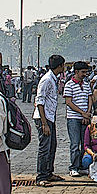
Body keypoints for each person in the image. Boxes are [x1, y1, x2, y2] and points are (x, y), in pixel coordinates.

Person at [34, 55, 66, 187]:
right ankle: (41, 176)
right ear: (60, 66)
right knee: (44, 148)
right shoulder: (47, 79)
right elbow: (39, 101)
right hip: (44, 117)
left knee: (52, 145)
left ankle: (48, 172)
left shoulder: (53, 79)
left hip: (50, 117)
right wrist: (44, 123)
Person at [63, 61, 92, 177]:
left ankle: (81, 166)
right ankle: (73, 167)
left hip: (85, 117)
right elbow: (69, 102)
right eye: (83, 72)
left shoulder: (86, 84)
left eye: (86, 72)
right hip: (73, 118)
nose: (85, 74)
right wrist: (82, 113)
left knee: (84, 144)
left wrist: (87, 113)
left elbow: (89, 99)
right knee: (75, 144)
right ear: (76, 72)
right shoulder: (69, 85)